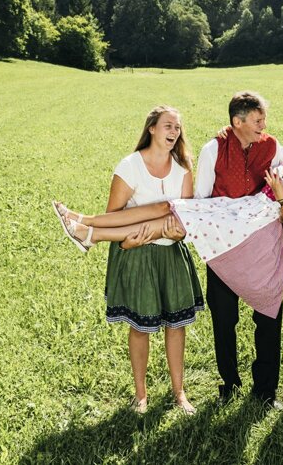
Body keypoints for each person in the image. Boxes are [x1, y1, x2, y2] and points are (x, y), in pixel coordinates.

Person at [57, 100, 283, 409]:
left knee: (173, 218)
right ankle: (86, 224)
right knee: (168, 210)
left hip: (243, 225)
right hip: (233, 214)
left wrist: (282, 197)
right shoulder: (277, 158)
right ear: (238, 122)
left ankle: (92, 233)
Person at [53, 106, 203, 415]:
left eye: (177, 127)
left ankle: (179, 392)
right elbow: (114, 217)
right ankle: (141, 396)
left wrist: (177, 234)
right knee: (141, 328)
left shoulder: (184, 167)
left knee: (176, 327)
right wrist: (128, 240)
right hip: (138, 254)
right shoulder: (130, 166)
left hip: (172, 254)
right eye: (167, 126)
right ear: (151, 128)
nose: (174, 131)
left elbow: (185, 219)